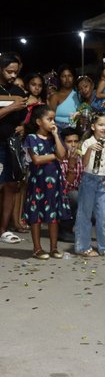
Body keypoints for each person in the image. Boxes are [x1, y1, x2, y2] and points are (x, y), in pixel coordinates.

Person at [22, 105, 70, 259]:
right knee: (36, 215)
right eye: (49, 119)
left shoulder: (55, 137)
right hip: (38, 182)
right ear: (38, 122)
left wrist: (56, 136)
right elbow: (36, 159)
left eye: (54, 119)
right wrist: (54, 155)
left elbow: (63, 155)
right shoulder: (32, 138)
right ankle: (37, 248)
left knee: (53, 214)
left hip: (54, 181)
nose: (52, 122)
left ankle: (54, 247)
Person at [75, 112, 105, 258]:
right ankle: (83, 246)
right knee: (85, 214)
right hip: (88, 180)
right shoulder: (87, 142)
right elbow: (83, 163)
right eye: (100, 125)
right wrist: (90, 149)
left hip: (103, 182)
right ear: (93, 126)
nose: (103, 128)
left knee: (104, 215)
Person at [0, 53, 28, 245]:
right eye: (9, 71)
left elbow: (24, 117)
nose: (12, 75)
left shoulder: (19, 91)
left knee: (11, 186)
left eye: (15, 72)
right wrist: (11, 107)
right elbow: (12, 110)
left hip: (11, 145)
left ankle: (3, 229)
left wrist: (23, 126)